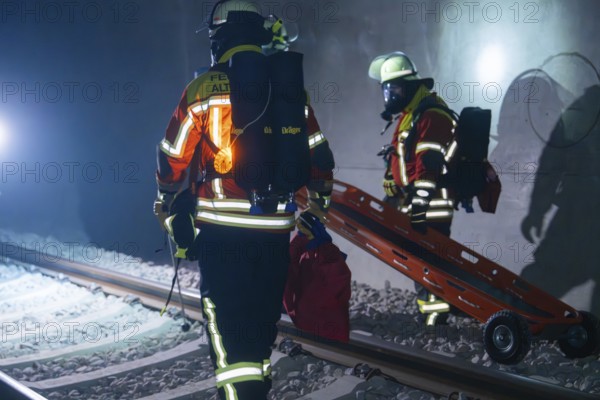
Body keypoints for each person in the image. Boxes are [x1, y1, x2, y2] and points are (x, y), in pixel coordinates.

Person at [153, 1, 334, 399]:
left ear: (218, 40)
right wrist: (317, 202)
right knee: (258, 331)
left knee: (230, 341)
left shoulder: (203, 88)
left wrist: (169, 200)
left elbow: (172, 154)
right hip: (274, 235)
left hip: (223, 234)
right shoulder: (288, 88)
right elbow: (318, 154)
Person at [368, 51, 456, 326]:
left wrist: (419, 203)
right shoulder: (411, 114)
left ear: (411, 85)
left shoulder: (431, 115)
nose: (390, 95)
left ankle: (435, 323)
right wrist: (392, 182)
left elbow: (428, 163)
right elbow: (403, 156)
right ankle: (431, 316)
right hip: (416, 201)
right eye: (387, 89)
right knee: (419, 261)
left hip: (430, 204)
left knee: (428, 263)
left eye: (395, 88)